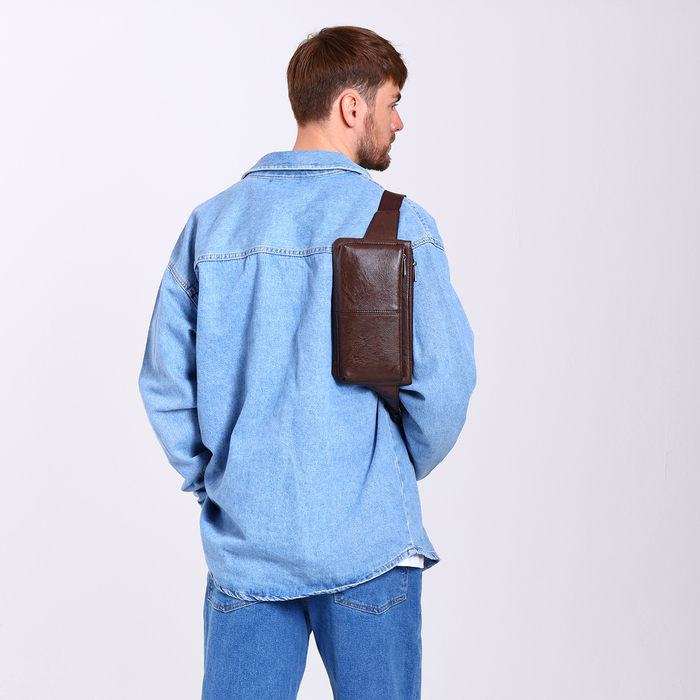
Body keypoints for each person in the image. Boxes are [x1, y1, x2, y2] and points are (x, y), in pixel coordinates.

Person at [139, 25, 476, 700]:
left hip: (248, 545)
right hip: (368, 544)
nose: (398, 121)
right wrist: (380, 472)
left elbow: (166, 387)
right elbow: (444, 391)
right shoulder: (401, 224)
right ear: (352, 107)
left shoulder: (212, 224)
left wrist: (223, 483)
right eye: (392, 103)